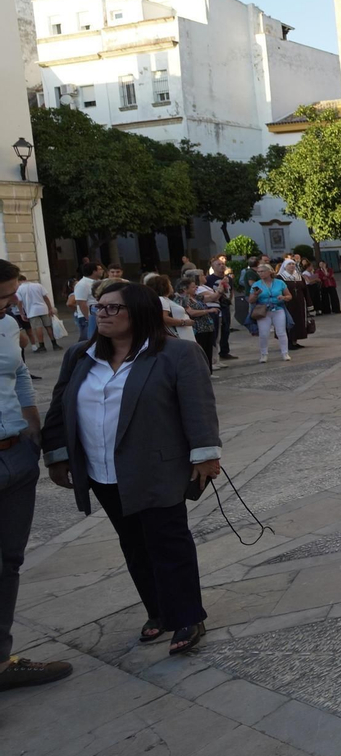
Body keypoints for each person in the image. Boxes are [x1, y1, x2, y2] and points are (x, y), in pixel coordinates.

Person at [42, 281, 221, 656]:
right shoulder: (80, 355)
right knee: (134, 545)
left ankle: (187, 615)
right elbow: (59, 408)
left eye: (112, 309)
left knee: (168, 543)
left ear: (137, 312)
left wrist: (205, 454)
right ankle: (157, 610)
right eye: (98, 308)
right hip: (102, 471)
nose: (102, 315)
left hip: (156, 469)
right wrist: (57, 455)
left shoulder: (177, 354)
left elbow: (198, 408)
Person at [0, 258, 71, 691]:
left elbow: (20, 374)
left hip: (15, 455)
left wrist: (33, 429)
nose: (7, 305)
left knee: (9, 562)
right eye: (2, 297)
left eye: (9, 296)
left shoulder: (7, 325)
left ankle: (2, 661)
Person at [249, 262, 293, 363]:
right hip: (263, 311)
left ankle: (285, 353)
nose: (260, 274)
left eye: (262, 271)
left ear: (269, 272)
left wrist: (284, 297)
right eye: (259, 272)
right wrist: (255, 295)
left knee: (281, 332)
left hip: (278, 309)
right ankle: (264, 354)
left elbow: (289, 296)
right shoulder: (257, 284)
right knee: (264, 333)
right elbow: (251, 300)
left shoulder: (279, 283)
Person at [144, 274, 197, 343]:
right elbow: (164, 318)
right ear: (164, 287)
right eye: (170, 284)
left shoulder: (165, 299)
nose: (171, 286)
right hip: (180, 335)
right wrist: (184, 322)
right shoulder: (162, 300)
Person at [14, 274, 58, 353]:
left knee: (38, 328)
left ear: (18, 281)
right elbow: (46, 297)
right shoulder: (38, 285)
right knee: (48, 326)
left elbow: (19, 302)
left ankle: (42, 346)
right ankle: (54, 344)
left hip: (31, 311)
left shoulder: (19, 289)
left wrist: (21, 313)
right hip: (43, 309)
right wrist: (50, 308)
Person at [206, 257, 238, 361]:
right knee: (217, 330)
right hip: (215, 305)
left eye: (222, 264)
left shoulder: (229, 278)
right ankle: (216, 353)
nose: (221, 266)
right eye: (218, 265)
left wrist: (230, 300)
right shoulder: (209, 279)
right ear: (213, 267)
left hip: (225, 305)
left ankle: (225, 351)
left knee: (226, 329)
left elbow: (231, 290)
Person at [278, 253, 307, 349]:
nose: (291, 266)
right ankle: (288, 341)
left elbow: (305, 290)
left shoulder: (299, 276)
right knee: (288, 322)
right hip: (287, 303)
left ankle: (295, 341)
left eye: (293, 264)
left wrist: (309, 303)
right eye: (289, 264)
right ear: (285, 267)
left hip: (299, 303)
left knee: (298, 321)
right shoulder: (280, 278)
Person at [70, 260, 103, 342]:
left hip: (97, 314)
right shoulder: (82, 284)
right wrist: (88, 318)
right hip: (87, 317)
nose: (102, 271)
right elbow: (81, 303)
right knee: (87, 340)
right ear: (94, 271)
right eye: (100, 269)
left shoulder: (98, 282)